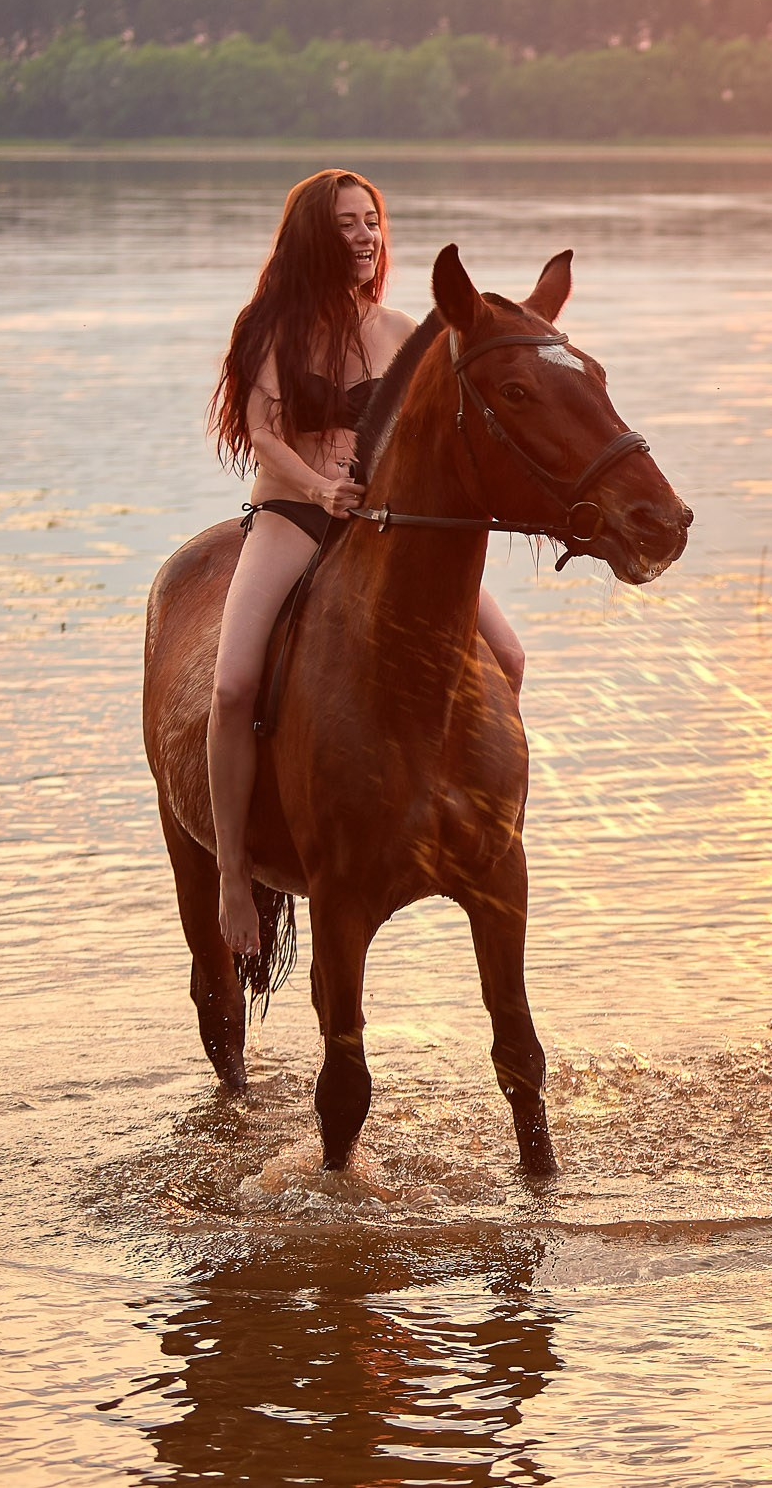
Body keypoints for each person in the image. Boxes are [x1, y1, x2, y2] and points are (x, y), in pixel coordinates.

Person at [206, 169, 526, 959]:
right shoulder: (272, 325)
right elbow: (263, 433)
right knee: (232, 683)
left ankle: (455, 807)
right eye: (349, 223)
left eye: (373, 222)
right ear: (317, 234)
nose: (365, 236)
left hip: (381, 524)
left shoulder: (403, 332)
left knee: (510, 654)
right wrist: (321, 487)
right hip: (294, 512)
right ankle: (235, 873)